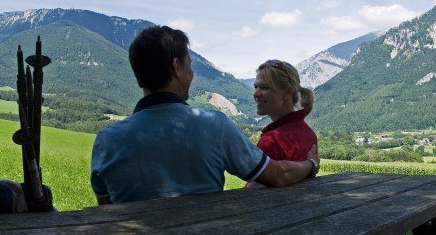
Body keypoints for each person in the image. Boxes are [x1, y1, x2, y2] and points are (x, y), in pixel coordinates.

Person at [90, 26, 319, 204]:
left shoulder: (105, 141)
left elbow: (107, 210)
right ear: (176, 67)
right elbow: (278, 175)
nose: (191, 74)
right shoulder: (214, 125)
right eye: (190, 65)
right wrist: (311, 164)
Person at [253, 59, 318, 163]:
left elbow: (258, 179)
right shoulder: (309, 134)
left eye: (264, 87)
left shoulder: (271, 141)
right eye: (255, 86)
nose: (256, 93)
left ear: (287, 93)